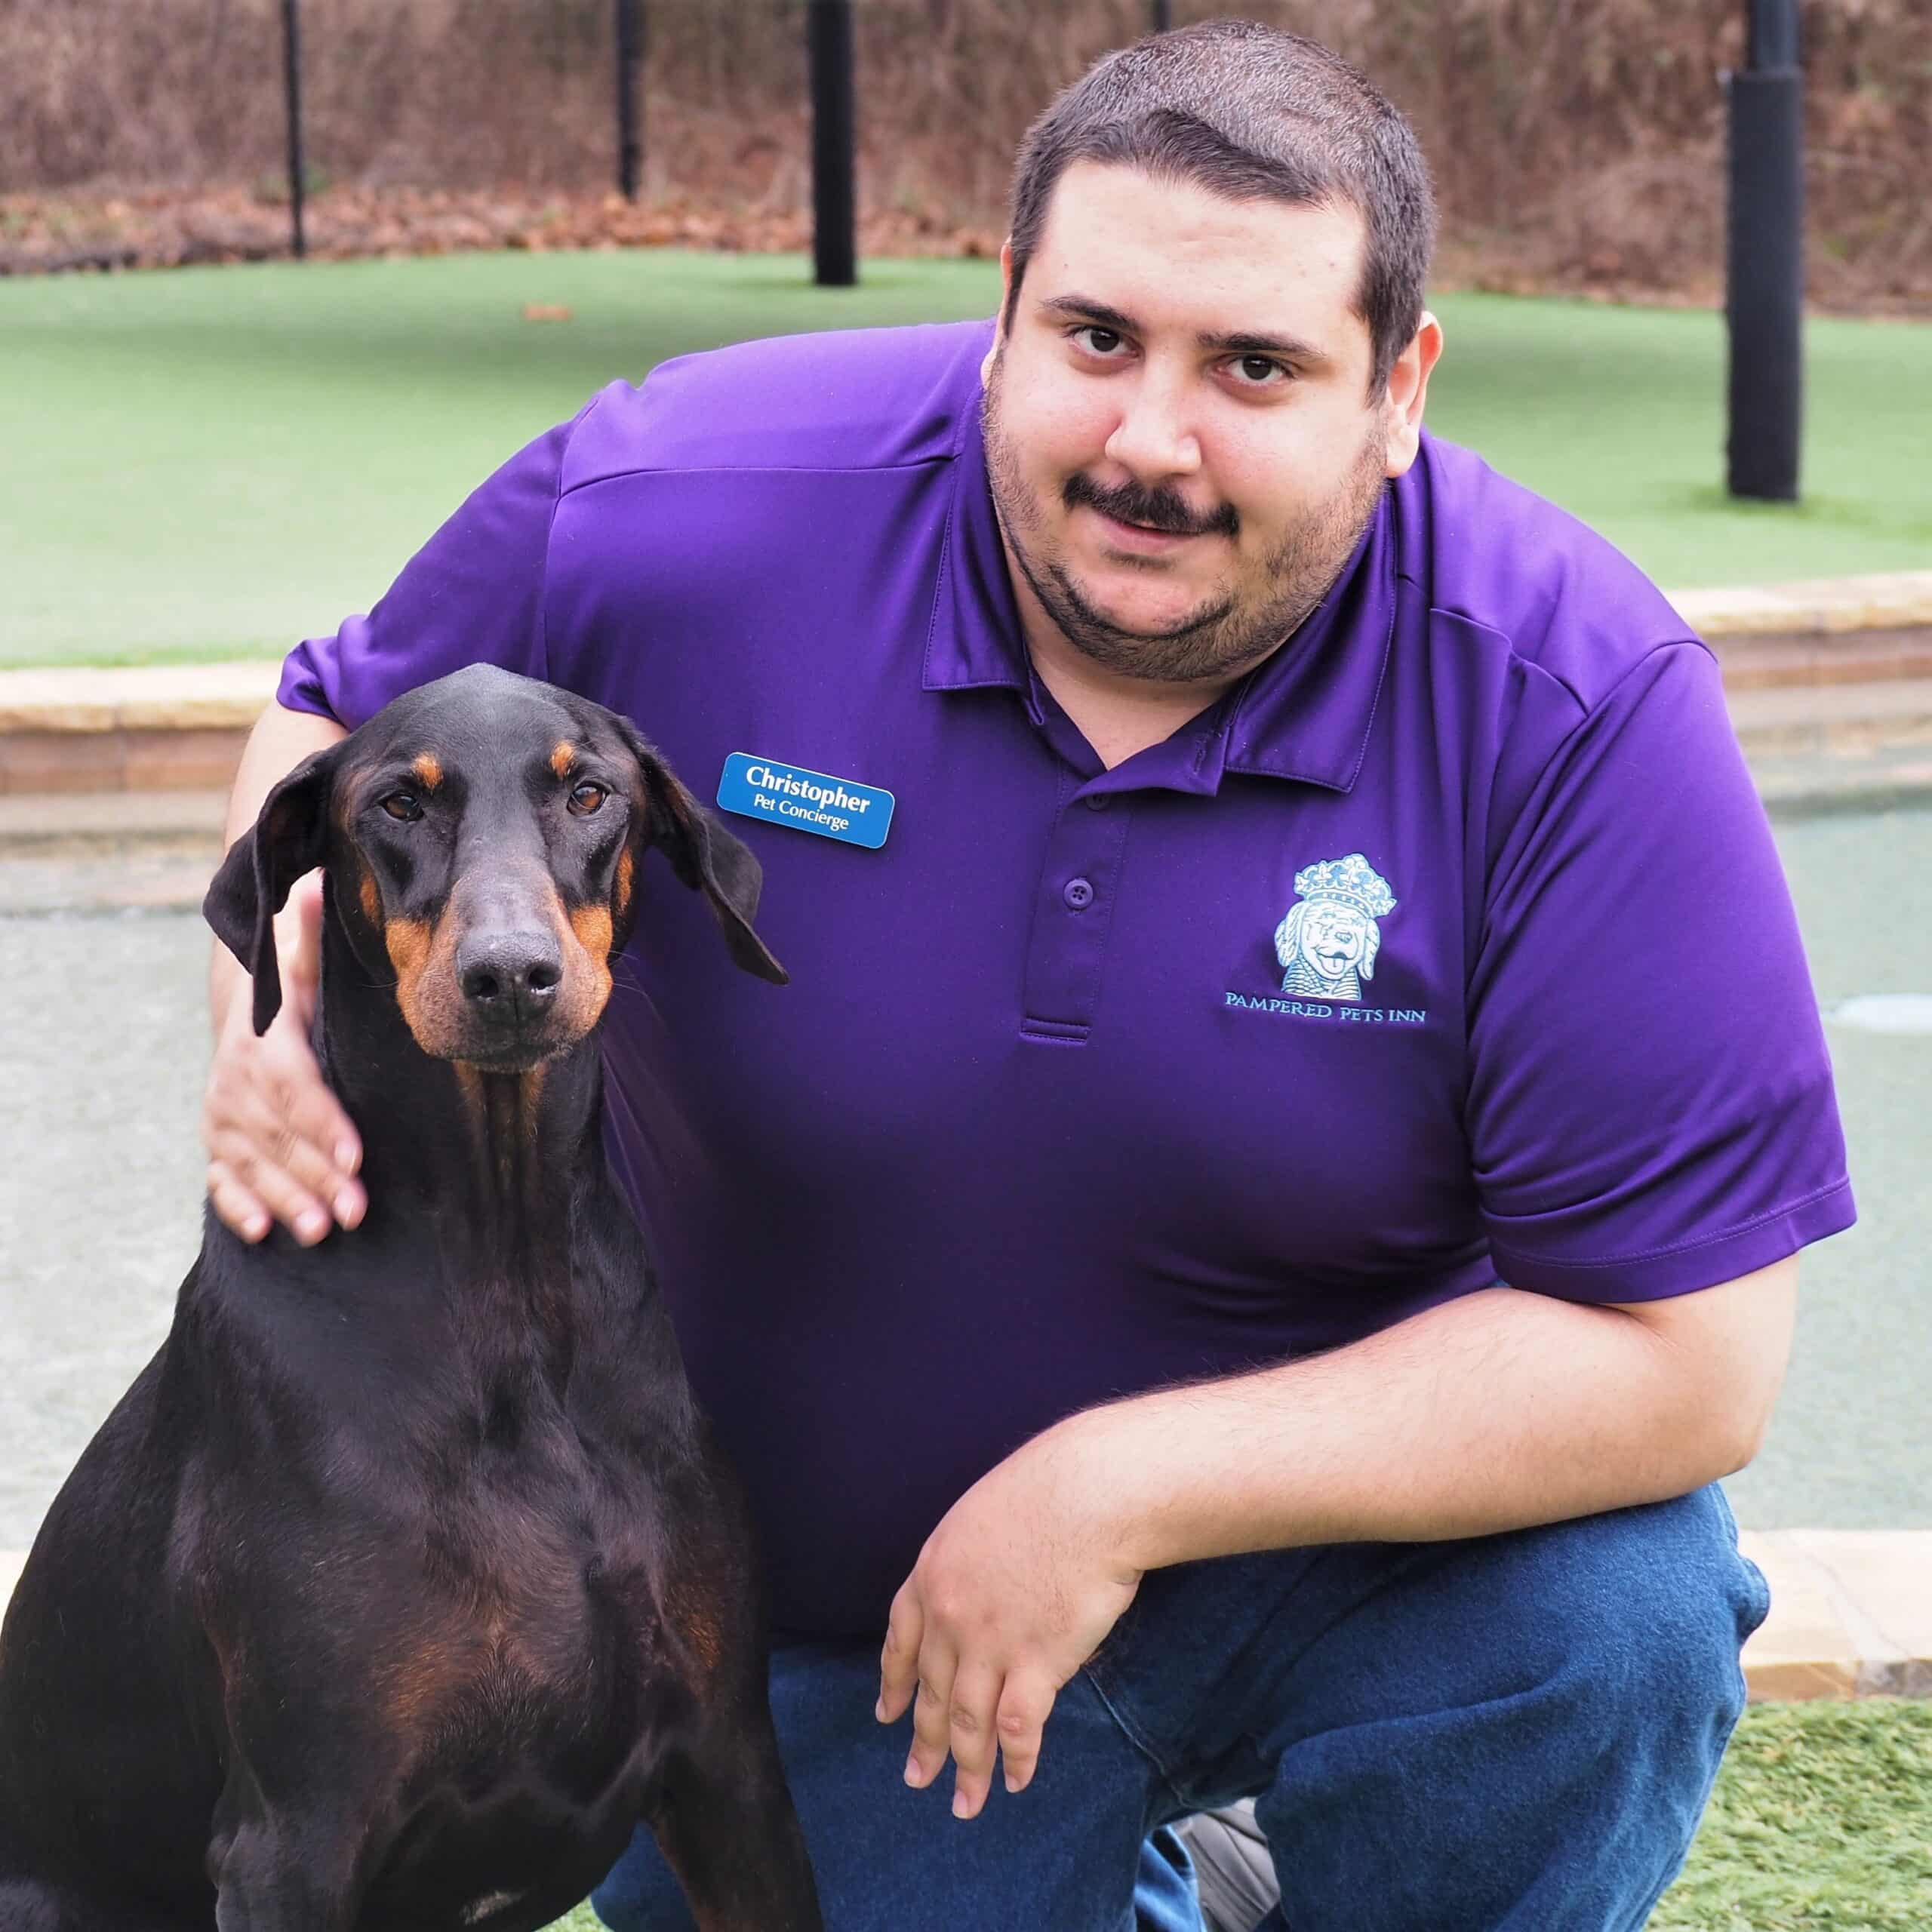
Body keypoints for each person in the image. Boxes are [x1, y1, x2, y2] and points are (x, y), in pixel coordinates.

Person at [202, 20, 1854, 1930]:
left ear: (1396, 388)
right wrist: (253, 1033)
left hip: (1344, 1554)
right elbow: (325, 723)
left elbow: (1692, 1361)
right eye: (1095, 337)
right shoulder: (678, 499)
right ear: (1002, 309)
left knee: (1613, 1620)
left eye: (1253, 365)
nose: (1149, 439)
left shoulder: (1574, 700)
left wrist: (1115, 1485)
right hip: (832, 1624)